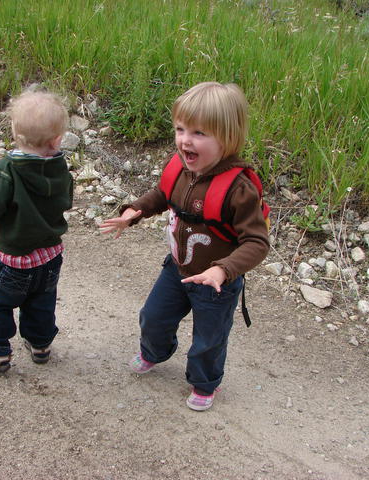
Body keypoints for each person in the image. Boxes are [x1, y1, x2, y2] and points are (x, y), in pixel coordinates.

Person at [100, 82, 270, 411]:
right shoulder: (180, 166)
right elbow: (163, 195)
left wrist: (224, 269)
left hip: (215, 283)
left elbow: (257, 242)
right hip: (176, 268)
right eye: (180, 129)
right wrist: (134, 212)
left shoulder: (239, 189)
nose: (185, 140)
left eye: (199, 133)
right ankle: (154, 352)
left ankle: (205, 383)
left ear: (228, 137)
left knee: (209, 339)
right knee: (153, 317)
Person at [0, 90, 73, 373]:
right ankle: (40, 345)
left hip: (15, 261)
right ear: (57, 139)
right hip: (50, 256)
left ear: (14, 131)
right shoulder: (60, 168)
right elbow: (67, 201)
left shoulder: (6, 171)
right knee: (41, 302)